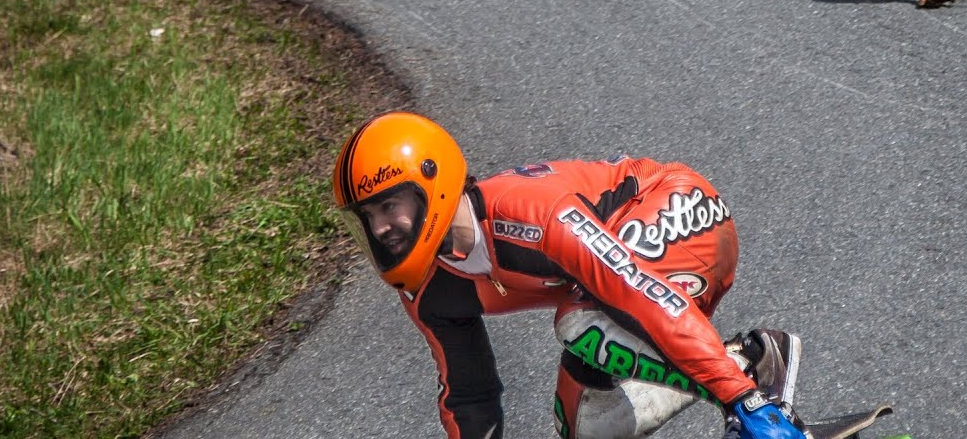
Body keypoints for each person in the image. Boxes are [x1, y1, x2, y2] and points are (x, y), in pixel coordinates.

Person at [331, 111, 809, 439]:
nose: (380, 228)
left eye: (389, 206)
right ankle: (744, 360)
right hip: (628, 283)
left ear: (431, 183)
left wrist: (739, 399)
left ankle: (751, 387)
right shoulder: (427, 292)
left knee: (579, 322)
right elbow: (469, 396)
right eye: (367, 217)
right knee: (583, 425)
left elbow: (639, 294)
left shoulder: (528, 214)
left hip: (683, 213)